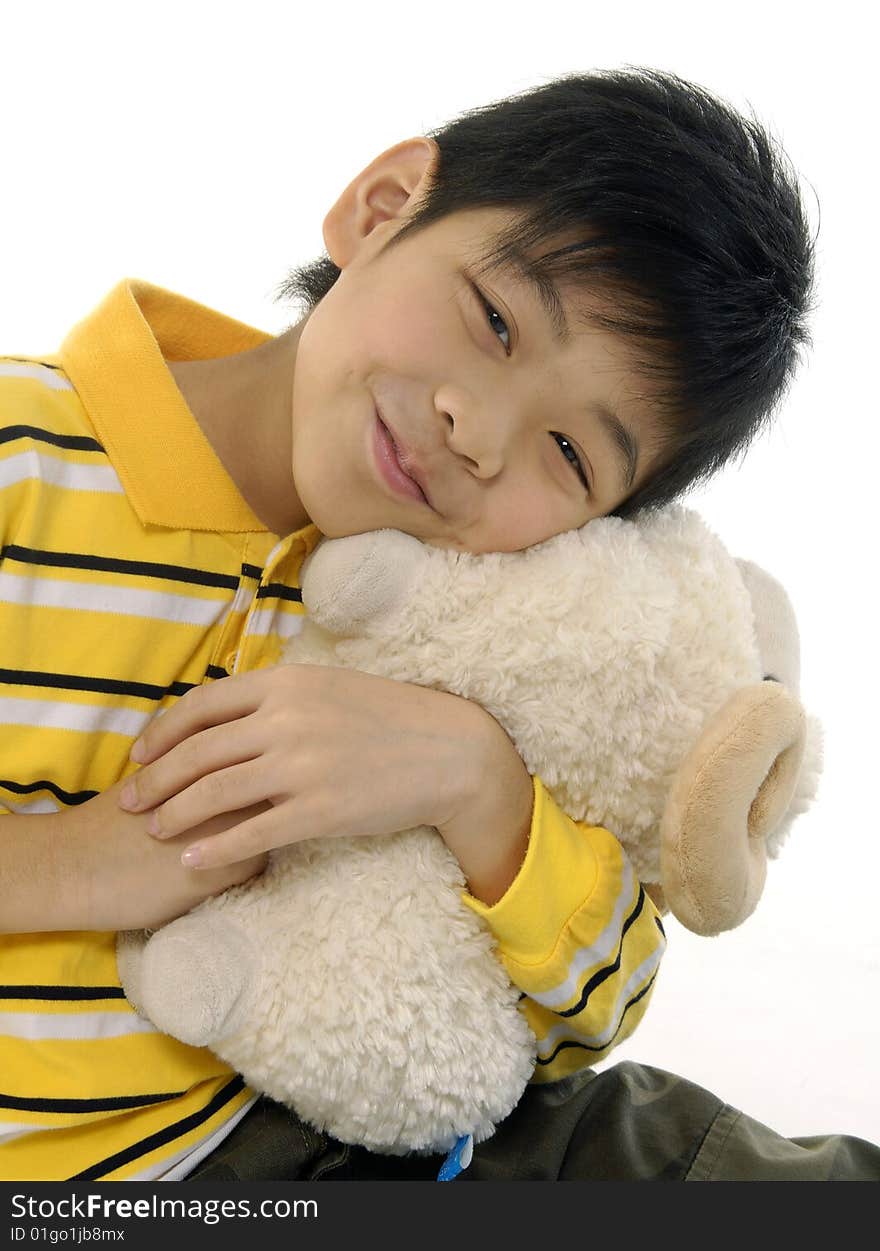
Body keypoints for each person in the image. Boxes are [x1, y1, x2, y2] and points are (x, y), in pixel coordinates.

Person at [1, 66, 861, 1183]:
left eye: (569, 456)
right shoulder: (25, 459)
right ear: (381, 206)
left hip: (338, 1144)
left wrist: (476, 782)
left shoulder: (494, 605)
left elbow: (594, 1015)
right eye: (495, 321)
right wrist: (88, 864)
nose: (478, 431)